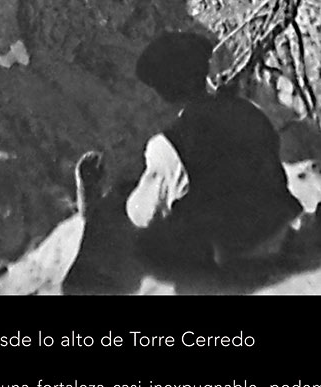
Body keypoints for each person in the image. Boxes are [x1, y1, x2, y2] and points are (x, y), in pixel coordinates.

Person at [122, 31, 305, 273]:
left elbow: (143, 215)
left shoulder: (168, 144)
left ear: (163, 90)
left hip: (236, 258)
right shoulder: (248, 111)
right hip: (285, 233)